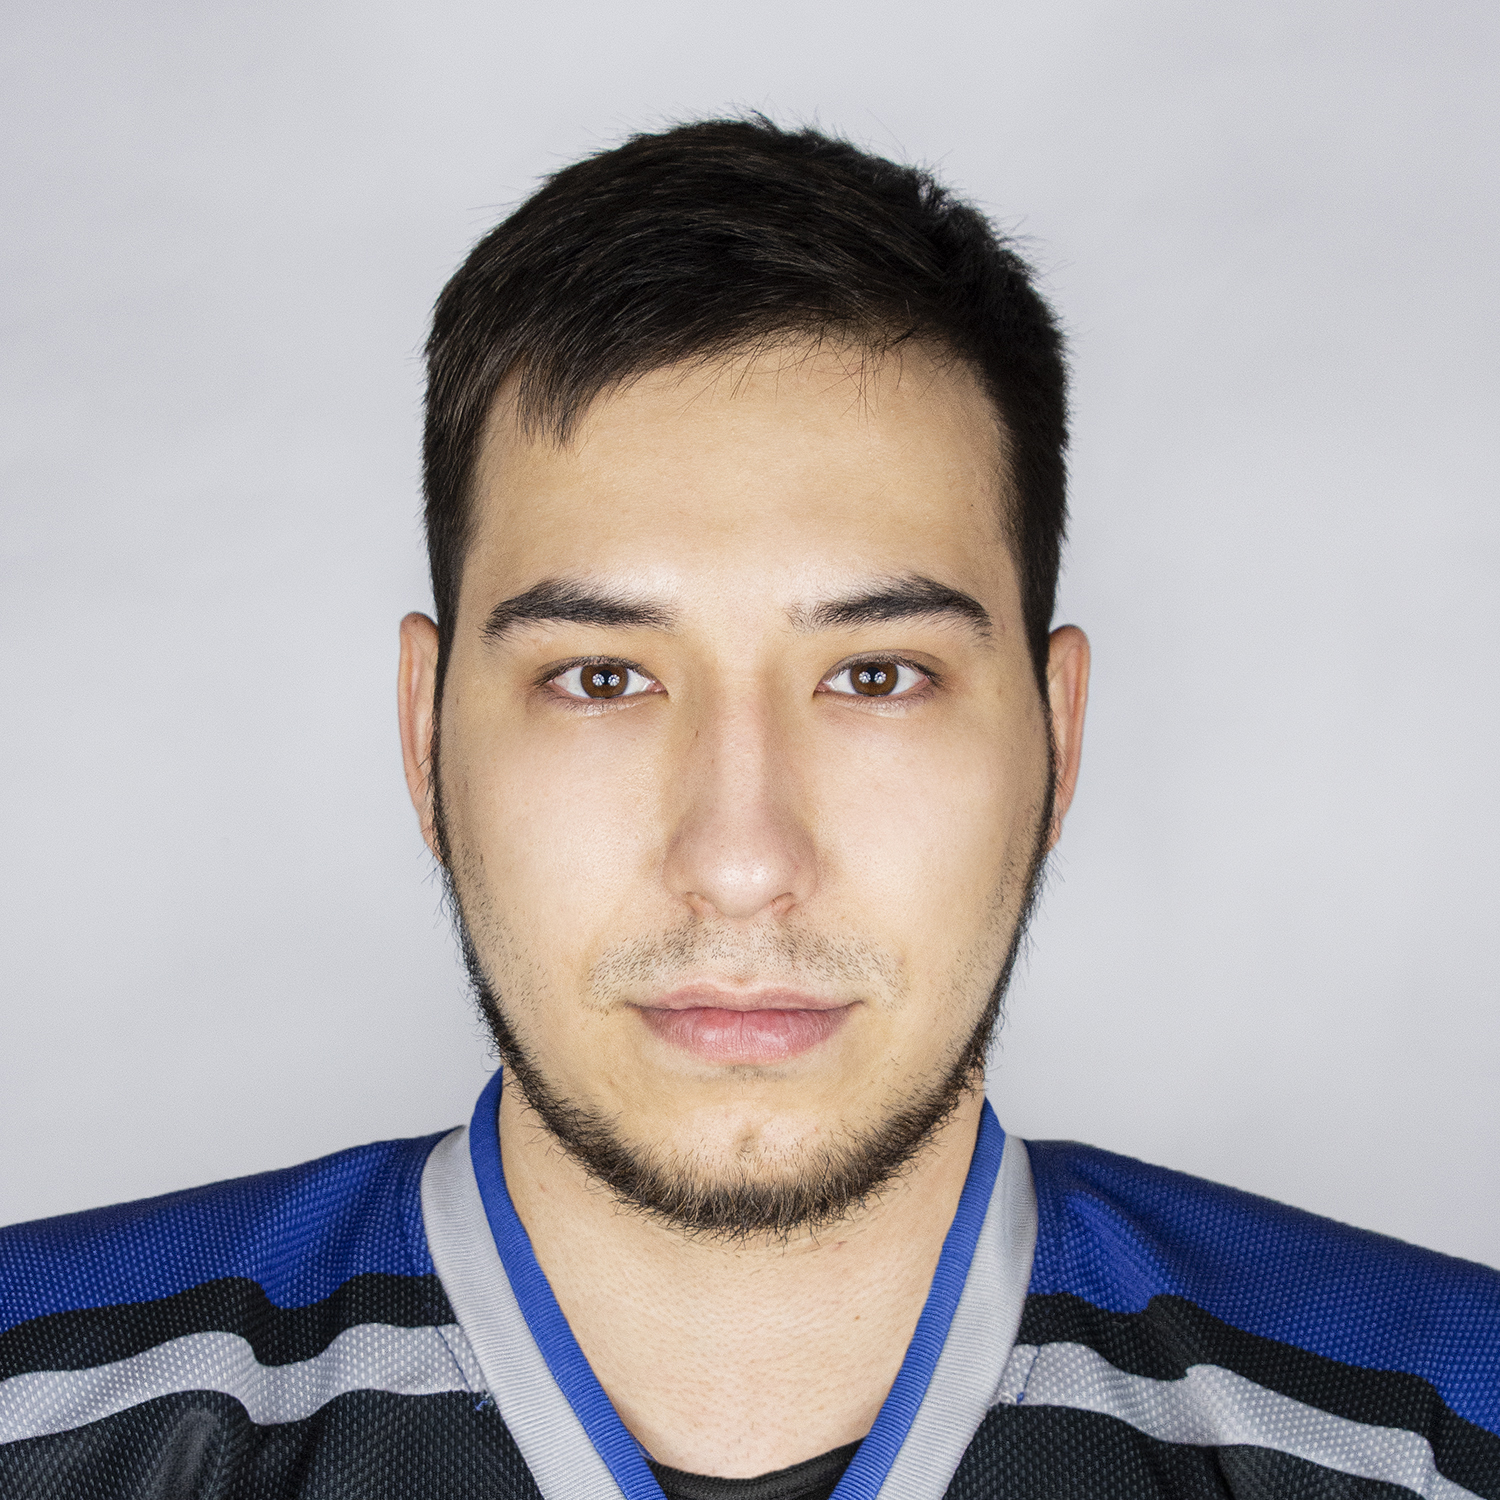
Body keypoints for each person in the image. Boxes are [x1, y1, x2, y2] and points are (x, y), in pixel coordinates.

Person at [1, 117, 1495, 1500]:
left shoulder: (1443, 1430)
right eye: (601, 678)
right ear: (423, 733)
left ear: (1057, 736)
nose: (737, 859)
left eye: (875, 676)